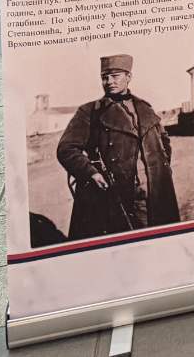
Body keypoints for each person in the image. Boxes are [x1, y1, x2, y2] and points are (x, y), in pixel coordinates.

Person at [56, 55, 179, 238]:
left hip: (155, 193)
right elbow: (66, 149)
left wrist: (162, 171)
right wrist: (91, 172)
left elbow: (164, 142)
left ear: (128, 77)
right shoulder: (90, 112)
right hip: (114, 197)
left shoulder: (145, 108)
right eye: (104, 77)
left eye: (115, 76)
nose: (109, 82)